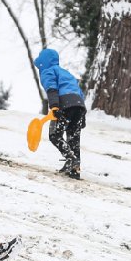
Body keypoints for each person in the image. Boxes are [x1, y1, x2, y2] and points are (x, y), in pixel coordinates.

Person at [34, 49, 86, 179]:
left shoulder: (47, 71)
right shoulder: (66, 73)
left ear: (44, 62)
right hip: (79, 106)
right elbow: (80, 93)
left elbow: (52, 89)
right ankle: (75, 170)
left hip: (64, 104)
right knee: (74, 138)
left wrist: (55, 107)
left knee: (55, 135)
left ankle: (71, 159)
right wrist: (83, 115)